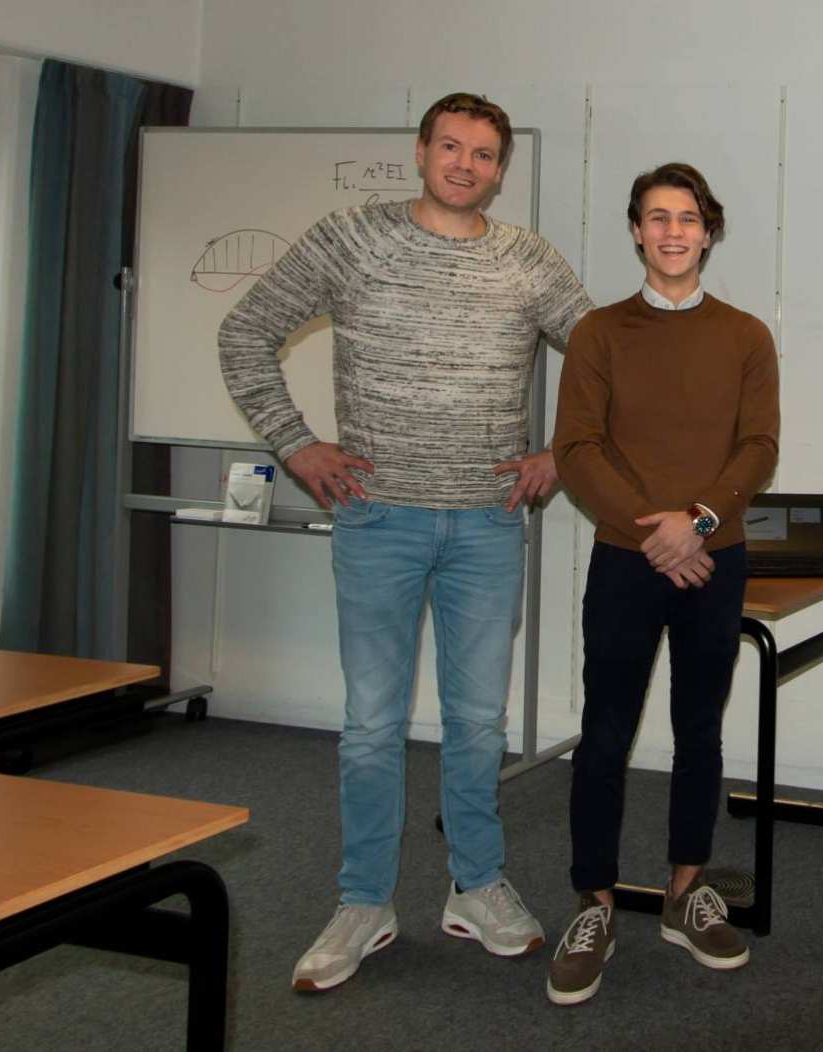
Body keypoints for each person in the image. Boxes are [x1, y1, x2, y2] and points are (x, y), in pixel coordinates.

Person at [217, 92, 595, 992]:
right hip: (377, 518)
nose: (466, 165)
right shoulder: (352, 239)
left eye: (485, 154)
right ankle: (363, 903)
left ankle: (476, 885)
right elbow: (245, 333)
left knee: (476, 725)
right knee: (372, 728)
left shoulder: (527, 259)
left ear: (501, 170)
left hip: (488, 524)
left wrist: (561, 455)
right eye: (452, 147)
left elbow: (609, 360)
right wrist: (296, 446)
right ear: (421, 151)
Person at [544, 162, 779, 1005]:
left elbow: (758, 448)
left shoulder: (747, 334)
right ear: (636, 231)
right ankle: (595, 903)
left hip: (716, 558)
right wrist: (661, 532)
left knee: (699, 731)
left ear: (708, 231)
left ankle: (686, 892)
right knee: (604, 734)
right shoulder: (600, 334)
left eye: (687, 218)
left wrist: (700, 525)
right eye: (656, 218)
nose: (673, 231)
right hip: (626, 558)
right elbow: (576, 451)